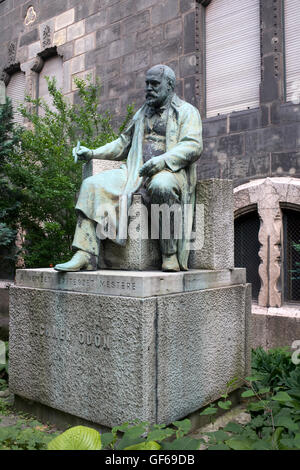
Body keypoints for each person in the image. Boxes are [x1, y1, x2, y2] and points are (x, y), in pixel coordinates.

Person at [54, 64, 203, 273]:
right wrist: (93, 152)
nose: (149, 88)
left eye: (155, 84)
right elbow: (122, 143)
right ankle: (85, 254)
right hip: (134, 171)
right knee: (91, 184)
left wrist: (163, 161)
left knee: (162, 185)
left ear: (169, 86)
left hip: (170, 172)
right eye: (147, 84)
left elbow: (193, 146)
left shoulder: (187, 112)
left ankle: (169, 255)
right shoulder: (143, 113)